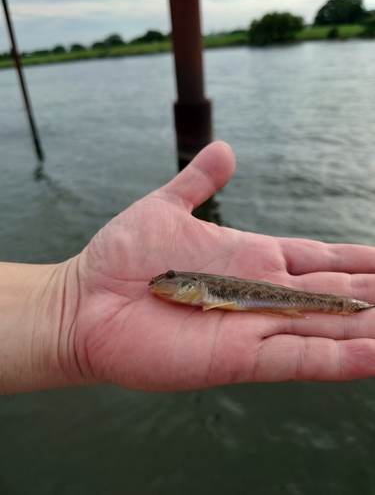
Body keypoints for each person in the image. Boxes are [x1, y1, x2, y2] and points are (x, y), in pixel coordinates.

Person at [1, 141, 375, 396]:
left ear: (192, 284)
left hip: (255, 295)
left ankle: (346, 305)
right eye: (168, 279)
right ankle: (344, 306)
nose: (162, 283)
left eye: (170, 279)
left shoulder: (201, 290)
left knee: (310, 303)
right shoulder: (193, 292)